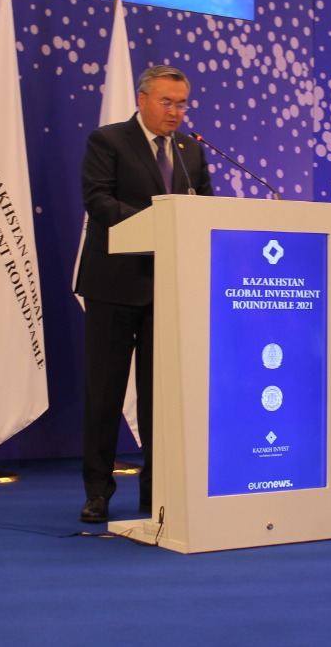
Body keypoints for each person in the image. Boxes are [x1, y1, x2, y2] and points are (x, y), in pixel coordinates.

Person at [75, 64, 213, 522]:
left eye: (182, 104)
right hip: (114, 286)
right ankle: (98, 492)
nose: (175, 112)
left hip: (170, 291)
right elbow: (98, 200)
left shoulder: (191, 150)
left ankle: (158, 493)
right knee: (105, 395)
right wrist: (159, 225)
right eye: (166, 102)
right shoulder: (108, 140)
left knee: (162, 399)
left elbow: (205, 209)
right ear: (142, 99)